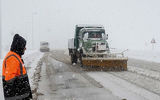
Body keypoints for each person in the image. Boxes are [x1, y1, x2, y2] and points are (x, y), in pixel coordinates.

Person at [2, 34, 32, 100]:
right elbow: (9, 80)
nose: (25, 48)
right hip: (17, 97)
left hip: (20, 96)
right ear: (19, 46)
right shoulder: (12, 58)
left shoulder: (16, 56)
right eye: (24, 46)